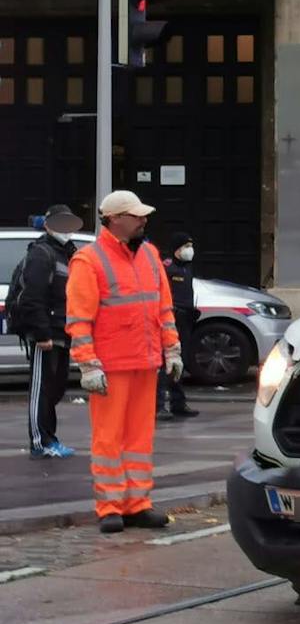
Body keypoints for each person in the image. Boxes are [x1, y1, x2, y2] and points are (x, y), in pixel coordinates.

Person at [66, 191, 183, 534]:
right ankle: (110, 506)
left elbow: (164, 308)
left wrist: (172, 349)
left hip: (145, 362)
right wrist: (88, 365)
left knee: (139, 438)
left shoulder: (149, 254)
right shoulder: (89, 260)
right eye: (136, 216)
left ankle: (137, 503)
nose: (143, 220)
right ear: (114, 219)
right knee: (109, 438)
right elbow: (79, 319)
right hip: (111, 365)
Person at [12, 204, 83, 458]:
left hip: (62, 332)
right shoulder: (42, 254)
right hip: (47, 334)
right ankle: (41, 443)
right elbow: (33, 297)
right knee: (41, 389)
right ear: (49, 225)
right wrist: (41, 334)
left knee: (56, 388)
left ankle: (50, 438)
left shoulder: (67, 253)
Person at [156, 231, 199, 419]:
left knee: (180, 362)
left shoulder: (186, 268)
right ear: (176, 249)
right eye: (185, 247)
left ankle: (178, 403)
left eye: (191, 246)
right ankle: (158, 406)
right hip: (171, 320)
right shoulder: (168, 268)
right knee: (166, 363)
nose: (190, 251)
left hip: (185, 320)